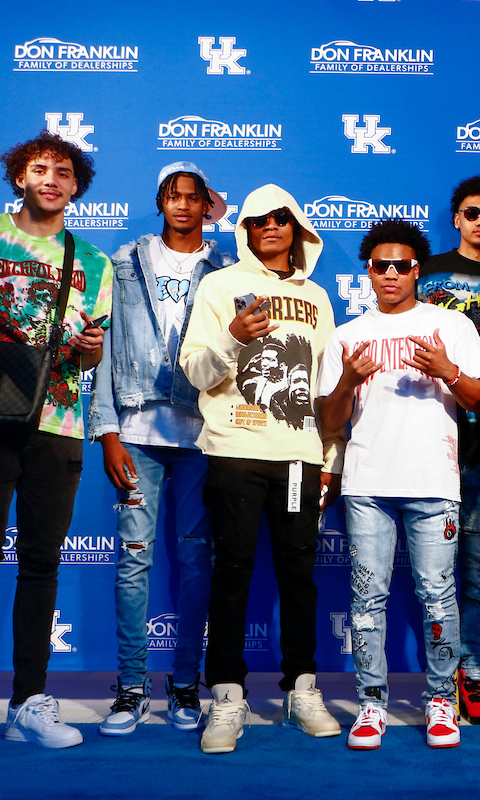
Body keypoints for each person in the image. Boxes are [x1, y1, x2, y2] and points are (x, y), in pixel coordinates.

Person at [180, 184, 342, 754]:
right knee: (232, 573)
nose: (269, 226)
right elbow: (196, 372)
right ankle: (227, 695)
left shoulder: (317, 297)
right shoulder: (219, 286)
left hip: (299, 455)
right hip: (234, 450)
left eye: (280, 218)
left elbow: (326, 388)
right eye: (257, 220)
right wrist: (232, 337)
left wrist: (331, 457)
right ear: (245, 229)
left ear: (296, 227)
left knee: (299, 575)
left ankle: (302, 689)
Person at [317, 219, 480, 750]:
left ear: (418, 271)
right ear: (368, 272)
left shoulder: (451, 326)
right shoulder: (346, 336)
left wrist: (447, 371)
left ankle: (441, 700)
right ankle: (371, 704)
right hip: (368, 481)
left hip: (433, 480)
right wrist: (348, 380)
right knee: (367, 598)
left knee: (438, 596)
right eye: (381, 266)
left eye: (402, 266)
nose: (391, 274)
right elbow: (329, 422)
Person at [88, 162, 231, 737]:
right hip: (137, 431)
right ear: (160, 202)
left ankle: (185, 684)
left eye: (192, 197)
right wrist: (108, 431)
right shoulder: (123, 263)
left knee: (197, 561)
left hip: (202, 434)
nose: (182, 205)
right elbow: (103, 347)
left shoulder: (225, 270)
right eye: (173, 196)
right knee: (133, 560)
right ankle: (130, 687)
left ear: (206, 207)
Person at [0, 132, 111, 749]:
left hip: (59, 423)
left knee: (41, 564)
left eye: (63, 172)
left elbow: (90, 352)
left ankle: (28, 702)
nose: (51, 179)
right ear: (20, 177)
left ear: (76, 186)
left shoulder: (91, 261)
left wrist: (91, 349)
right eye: (39, 169)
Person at [418, 175, 480, 725]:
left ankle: (474, 676)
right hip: (429, 441)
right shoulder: (425, 272)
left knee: (479, 574)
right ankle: (439, 680)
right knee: (432, 577)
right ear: (456, 218)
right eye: (471, 213)